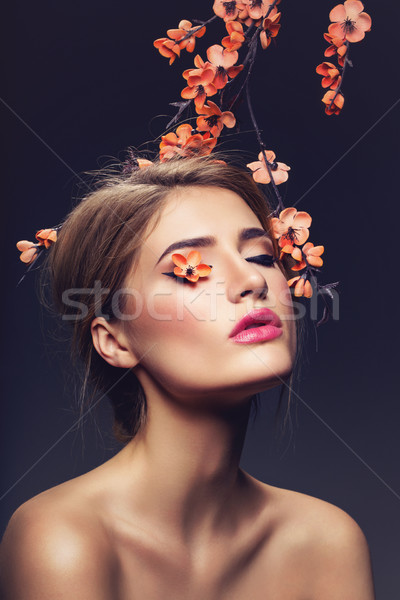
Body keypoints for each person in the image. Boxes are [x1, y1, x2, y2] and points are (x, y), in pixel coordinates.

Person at [0, 157, 375, 599]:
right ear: (115, 341)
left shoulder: (326, 543)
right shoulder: (62, 539)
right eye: (189, 270)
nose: (252, 279)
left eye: (261, 256)